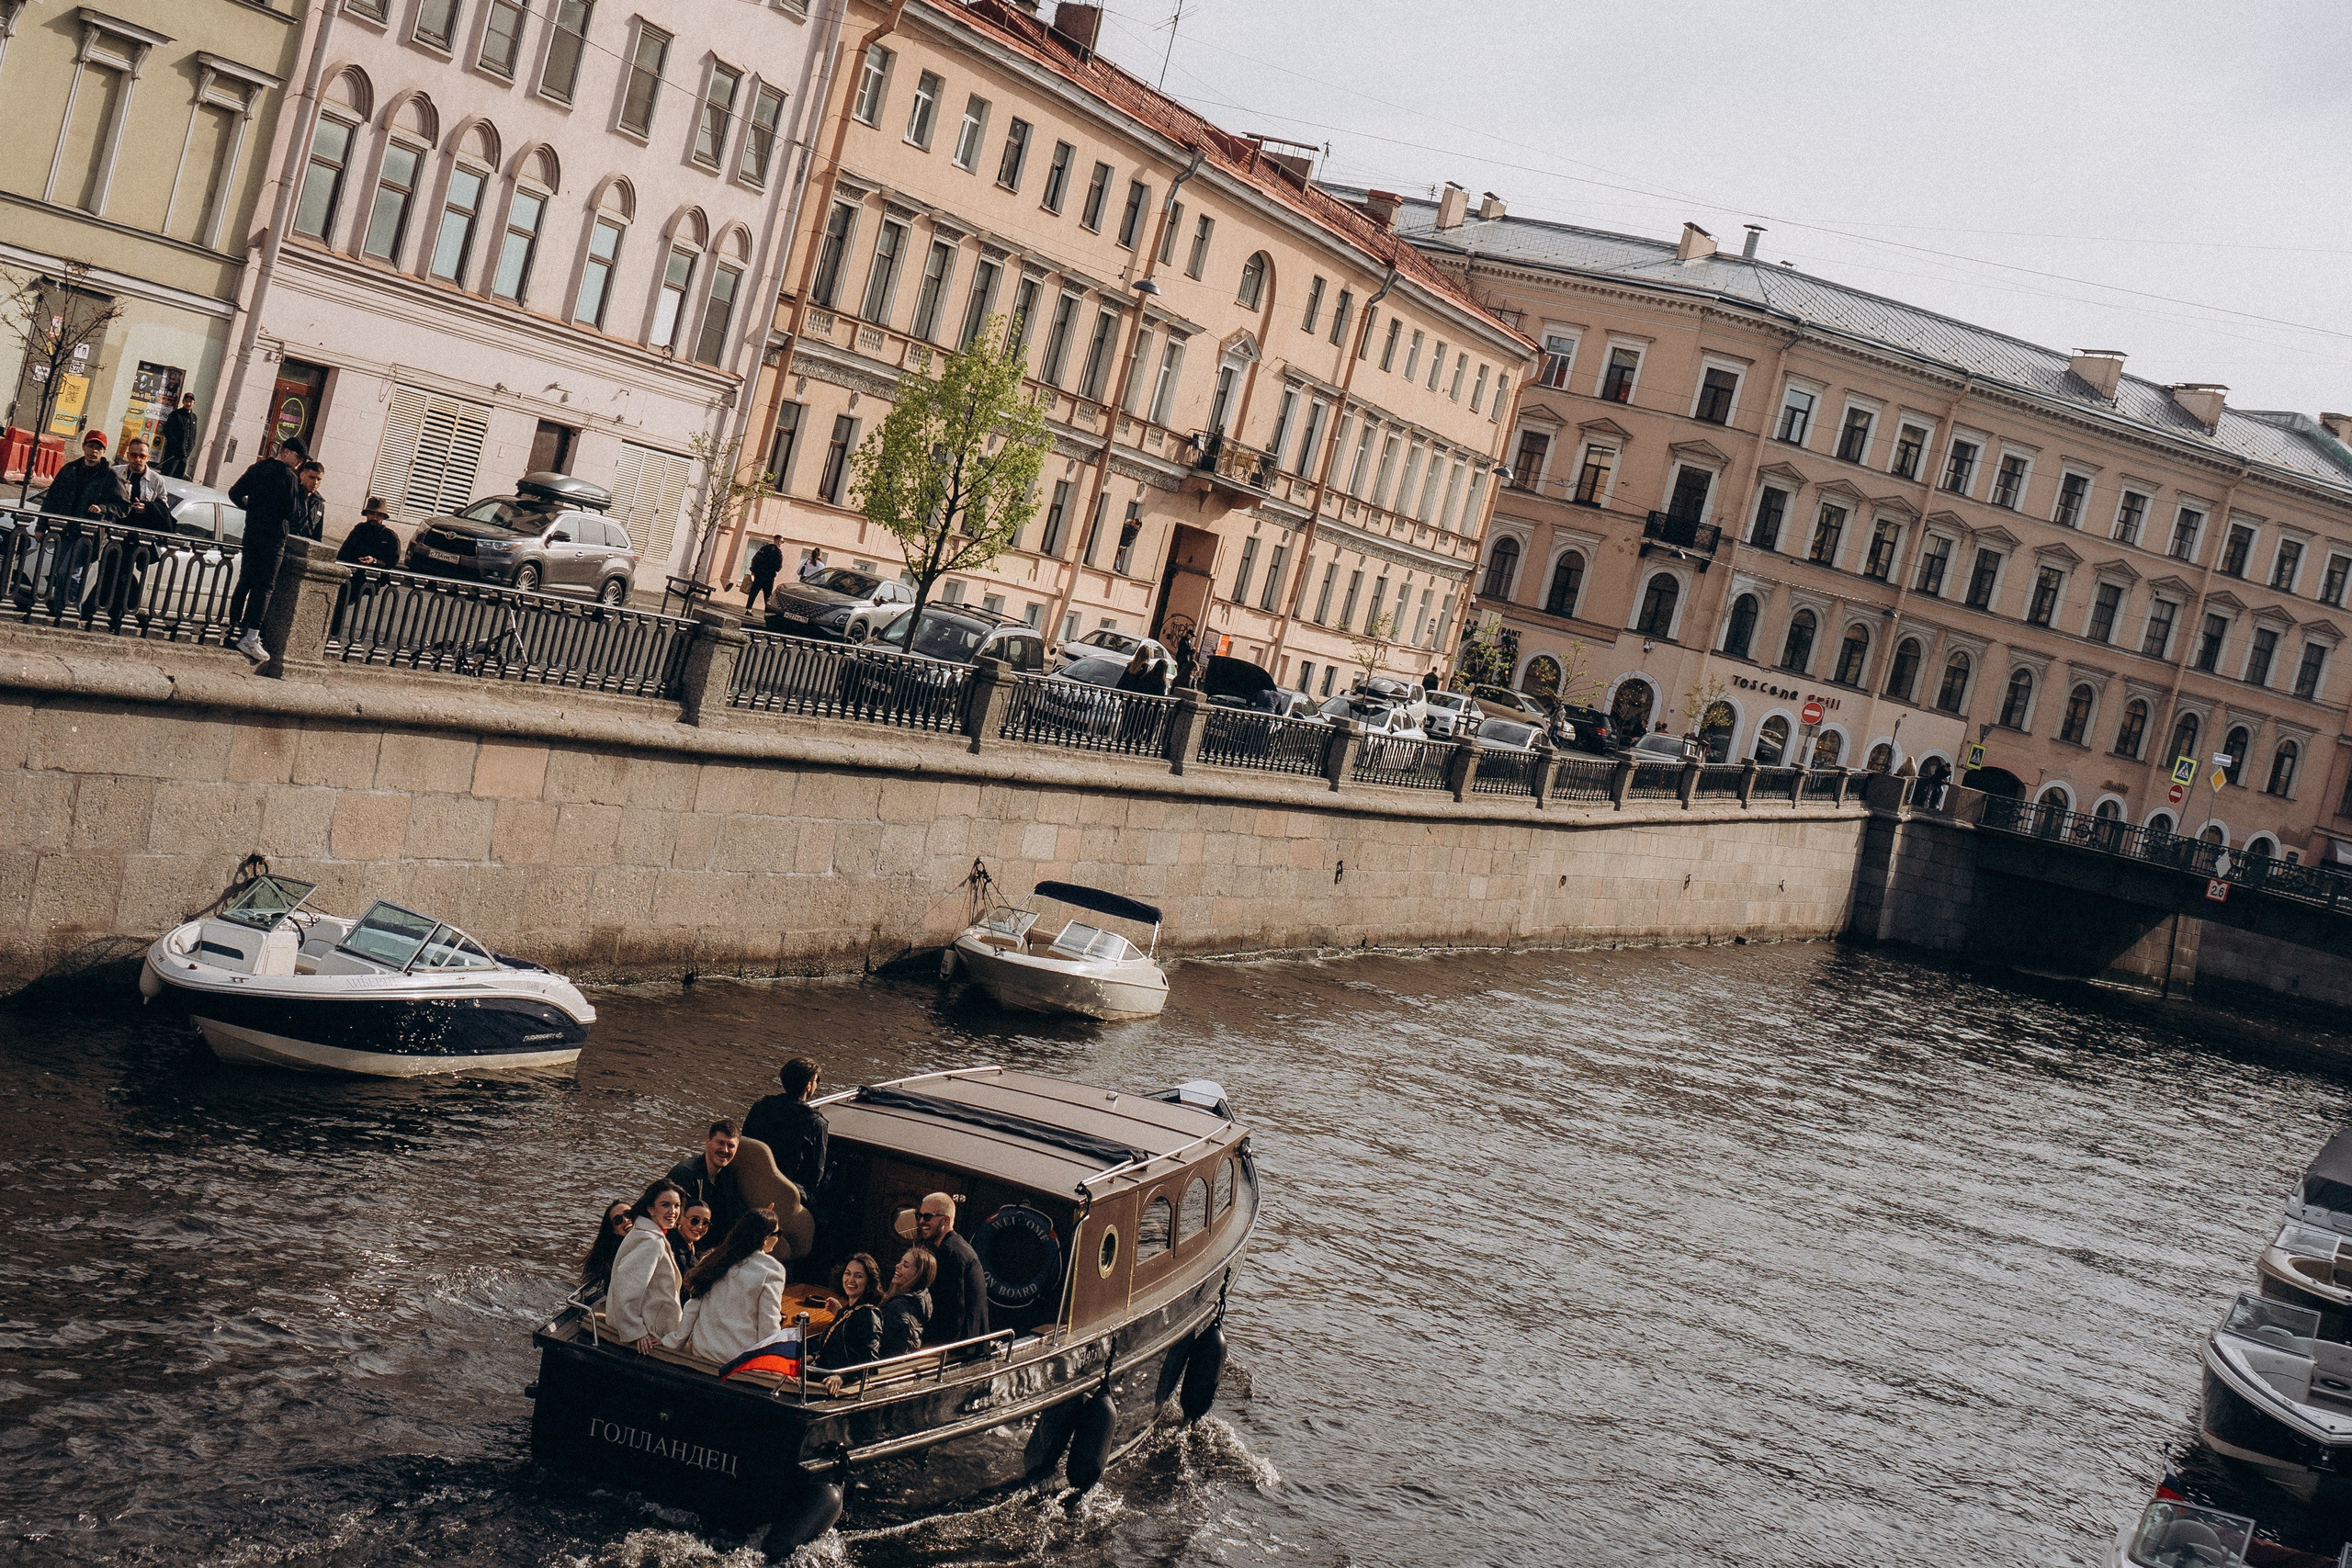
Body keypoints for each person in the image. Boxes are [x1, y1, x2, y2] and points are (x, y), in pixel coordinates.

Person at [665, 1209, 788, 1365]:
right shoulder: (772, 1270)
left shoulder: (714, 1258)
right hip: (737, 1359)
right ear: (765, 1238)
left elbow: (692, 1308)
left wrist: (673, 1342)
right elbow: (768, 1323)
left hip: (703, 1350)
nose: (778, 1239)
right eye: (778, 1233)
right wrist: (773, 1364)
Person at [227, 434, 306, 663]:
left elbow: (234, 493)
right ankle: (251, 637)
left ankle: (233, 627)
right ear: (287, 452)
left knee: (245, 581)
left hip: (251, 533)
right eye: (298, 457)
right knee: (265, 587)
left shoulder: (258, 468)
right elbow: (293, 514)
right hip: (273, 539)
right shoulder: (289, 477)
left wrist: (252, 509)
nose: (300, 462)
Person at [605, 1179, 685, 1351]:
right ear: (651, 1209)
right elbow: (625, 1288)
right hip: (652, 1332)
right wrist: (637, 1331)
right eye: (665, 1205)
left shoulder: (646, 1234)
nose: (673, 1211)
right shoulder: (651, 1243)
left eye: (677, 1206)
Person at [741, 1061, 827, 1199]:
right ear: (808, 1085)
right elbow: (816, 1174)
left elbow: (745, 1142)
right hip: (787, 1194)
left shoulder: (761, 1107)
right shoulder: (816, 1124)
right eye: (817, 1080)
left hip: (750, 1184)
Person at [913, 1193, 989, 1346]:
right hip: (970, 1344)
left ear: (946, 1220)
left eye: (928, 1216)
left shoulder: (950, 1254)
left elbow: (952, 1311)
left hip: (960, 1350)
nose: (921, 1221)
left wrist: (934, 1349)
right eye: (919, 1215)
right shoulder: (957, 1247)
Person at [811, 1252, 886, 1371]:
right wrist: (811, 1357)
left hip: (833, 1381)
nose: (850, 1280)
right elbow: (833, 1347)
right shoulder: (847, 1311)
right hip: (822, 1371)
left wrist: (842, 1378)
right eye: (847, 1273)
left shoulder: (869, 1314)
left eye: (858, 1276)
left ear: (869, 1281)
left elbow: (869, 1361)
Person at [878, 1245, 935, 1359]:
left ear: (918, 1274)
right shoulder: (922, 1299)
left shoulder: (896, 1308)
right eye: (901, 1262)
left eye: (906, 1265)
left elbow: (882, 1346)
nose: (897, 1266)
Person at [579, 1200, 633, 1291]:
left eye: (628, 1214)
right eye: (618, 1220)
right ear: (614, 1231)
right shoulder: (615, 1257)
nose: (625, 1220)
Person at [336, 497, 401, 569]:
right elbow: (343, 554)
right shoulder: (358, 530)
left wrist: (375, 561)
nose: (374, 518)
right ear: (366, 514)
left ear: (383, 517)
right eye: (371, 513)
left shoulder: (390, 536)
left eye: (379, 515)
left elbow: (392, 562)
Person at [159, 392, 198, 479]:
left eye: (190, 402)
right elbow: (167, 431)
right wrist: (175, 445)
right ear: (183, 401)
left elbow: (193, 435)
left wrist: (190, 448)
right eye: (186, 401)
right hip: (173, 453)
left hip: (184, 455)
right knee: (167, 476)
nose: (188, 404)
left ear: (194, 403)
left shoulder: (194, 417)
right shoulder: (175, 414)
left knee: (179, 478)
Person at [672, 1203, 712, 1276]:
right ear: (681, 1219)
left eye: (705, 1223)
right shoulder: (670, 1247)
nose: (700, 1227)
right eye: (695, 1220)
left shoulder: (702, 1249)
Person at [746, 535, 784, 613]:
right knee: (767, 595)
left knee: (754, 592)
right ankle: (767, 612)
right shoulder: (778, 552)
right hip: (769, 576)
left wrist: (753, 570)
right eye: (782, 542)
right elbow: (778, 567)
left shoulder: (764, 548)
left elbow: (755, 559)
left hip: (759, 574)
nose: (781, 544)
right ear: (778, 541)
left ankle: (749, 609)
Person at [292, 460, 327, 540]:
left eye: (319, 479)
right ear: (302, 475)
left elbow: (317, 535)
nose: (315, 482)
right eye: (311, 477)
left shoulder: (319, 504)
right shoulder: (292, 495)